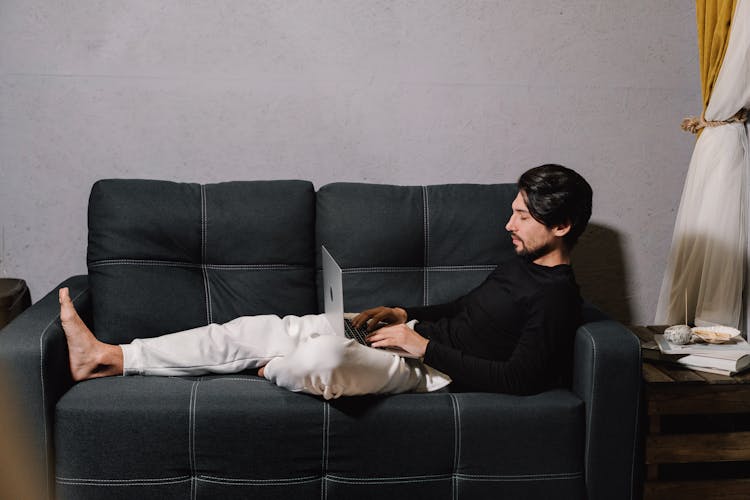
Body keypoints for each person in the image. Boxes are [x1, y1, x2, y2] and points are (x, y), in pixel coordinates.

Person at [59, 164, 592, 399]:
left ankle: (276, 372)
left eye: (523, 216)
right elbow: (462, 308)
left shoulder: (558, 297)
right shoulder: (518, 266)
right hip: (407, 340)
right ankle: (111, 357)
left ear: (561, 225)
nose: (508, 225)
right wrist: (401, 314)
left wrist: (421, 346)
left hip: (428, 373)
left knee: (322, 361)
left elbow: (519, 380)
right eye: (513, 211)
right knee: (255, 327)